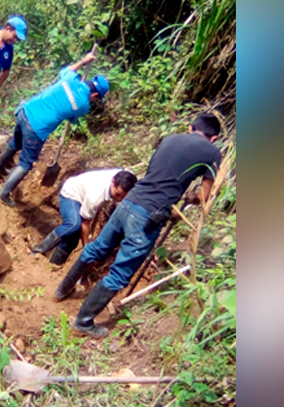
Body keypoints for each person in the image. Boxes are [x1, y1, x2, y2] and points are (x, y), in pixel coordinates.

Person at [54, 113, 223, 338]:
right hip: (148, 216)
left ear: (191, 128)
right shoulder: (212, 153)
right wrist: (191, 197)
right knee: (120, 274)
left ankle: (62, 290)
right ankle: (83, 322)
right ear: (213, 138)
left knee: (95, 249)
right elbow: (203, 195)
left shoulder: (170, 139)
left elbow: (156, 174)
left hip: (129, 202)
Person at [0, 53, 110, 207]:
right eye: (95, 99)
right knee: (26, 163)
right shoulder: (83, 106)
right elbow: (72, 119)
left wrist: (83, 61)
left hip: (25, 111)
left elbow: (66, 70)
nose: (93, 101)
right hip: (36, 128)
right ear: (94, 94)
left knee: (16, 143)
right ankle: (3, 193)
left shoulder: (70, 79)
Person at [31, 169, 138, 265]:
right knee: (73, 225)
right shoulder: (96, 196)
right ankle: (38, 250)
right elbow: (85, 222)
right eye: (117, 194)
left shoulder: (128, 178)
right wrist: (86, 246)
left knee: (73, 240)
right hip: (71, 193)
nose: (119, 199)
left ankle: (53, 265)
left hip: (85, 192)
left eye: (123, 197)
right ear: (113, 182)